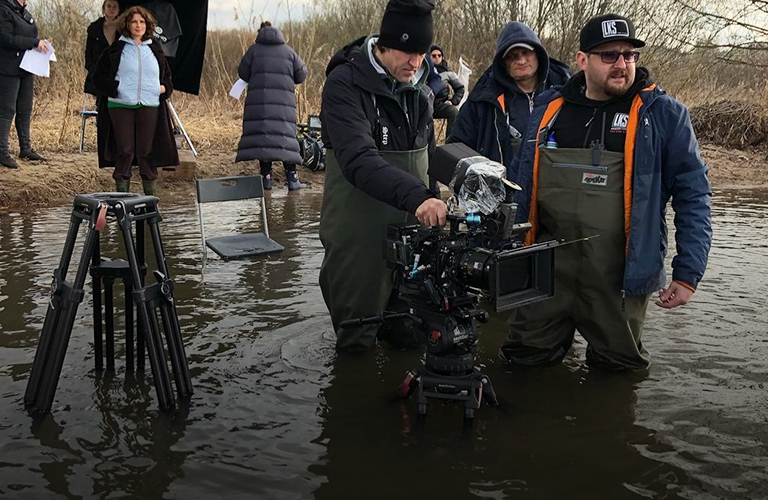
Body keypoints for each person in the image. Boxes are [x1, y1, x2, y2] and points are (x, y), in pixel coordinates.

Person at [501, 14, 713, 370]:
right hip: (545, 270)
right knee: (523, 363)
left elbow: (694, 194)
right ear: (582, 60)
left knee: (618, 374)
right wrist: (503, 248)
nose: (622, 64)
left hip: (619, 278)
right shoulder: (548, 110)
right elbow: (519, 185)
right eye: (609, 55)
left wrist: (688, 272)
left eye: (630, 55)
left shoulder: (663, 115)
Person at [319, 0, 447, 352]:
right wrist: (420, 197)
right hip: (358, 235)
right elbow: (358, 160)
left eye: (422, 53)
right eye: (408, 52)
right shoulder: (344, 84)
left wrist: (436, 200)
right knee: (357, 342)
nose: (416, 63)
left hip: (412, 234)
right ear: (384, 44)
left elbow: (429, 160)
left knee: (416, 336)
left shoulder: (422, 91)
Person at [448, 21, 571, 168]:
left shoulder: (566, 92)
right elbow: (456, 148)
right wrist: (479, 178)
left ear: (538, 54)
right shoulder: (482, 98)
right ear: (503, 63)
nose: (521, 60)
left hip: (552, 186)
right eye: (513, 56)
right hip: (501, 187)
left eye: (526, 52)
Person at [91, 5, 178, 195]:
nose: (138, 26)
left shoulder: (155, 49)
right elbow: (97, 77)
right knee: (125, 151)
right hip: (120, 105)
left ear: (147, 25)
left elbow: (168, 77)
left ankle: (150, 204)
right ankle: (122, 199)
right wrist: (116, 88)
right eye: (134, 22)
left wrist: (163, 89)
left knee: (147, 152)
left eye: (142, 22)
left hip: (150, 105)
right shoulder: (116, 49)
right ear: (127, 25)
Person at [235, 21, 307, 191]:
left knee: (264, 139)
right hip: (284, 107)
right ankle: (292, 179)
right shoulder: (289, 52)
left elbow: (243, 73)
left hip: (259, 106)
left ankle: (266, 178)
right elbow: (301, 75)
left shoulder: (253, 51)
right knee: (286, 139)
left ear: (259, 34)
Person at [0, 0, 49, 169]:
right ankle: (2, 151)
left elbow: (28, 35)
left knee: (25, 108)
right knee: (7, 110)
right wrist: (34, 43)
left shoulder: (23, 12)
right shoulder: (3, 10)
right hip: (7, 68)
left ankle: (26, 148)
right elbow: (6, 38)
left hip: (26, 67)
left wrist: (41, 43)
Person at [84, 0, 120, 97]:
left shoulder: (124, 27)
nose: (111, 9)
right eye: (109, 6)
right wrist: (91, 67)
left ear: (119, 9)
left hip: (119, 72)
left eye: (114, 7)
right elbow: (89, 51)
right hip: (99, 72)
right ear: (104, 9)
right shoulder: (94, 28)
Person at [429, 44, 464, 136]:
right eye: (433, 55)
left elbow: (460, 88)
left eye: (439, 55)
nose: (437, 57)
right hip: (425, 104)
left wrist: (453, 101)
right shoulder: (421, 70)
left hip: (440, 105)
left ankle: (450, 143)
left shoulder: (448, 73)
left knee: (454, 112)